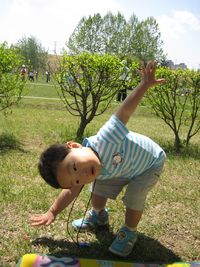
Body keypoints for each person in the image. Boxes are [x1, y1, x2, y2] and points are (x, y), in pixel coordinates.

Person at [30, 61, 166, 257]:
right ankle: (99, 216)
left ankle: (129, 231)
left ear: (75, 146)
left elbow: (124, 112)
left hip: (149, 163)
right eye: (76, 179)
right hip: (123, 167)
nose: (82, 176)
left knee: (134, 196)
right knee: (97, 187)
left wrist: (144, 85)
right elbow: (70, 192)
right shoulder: (87, 171)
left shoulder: (106, 139)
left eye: (74, 166)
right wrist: (52, 211)